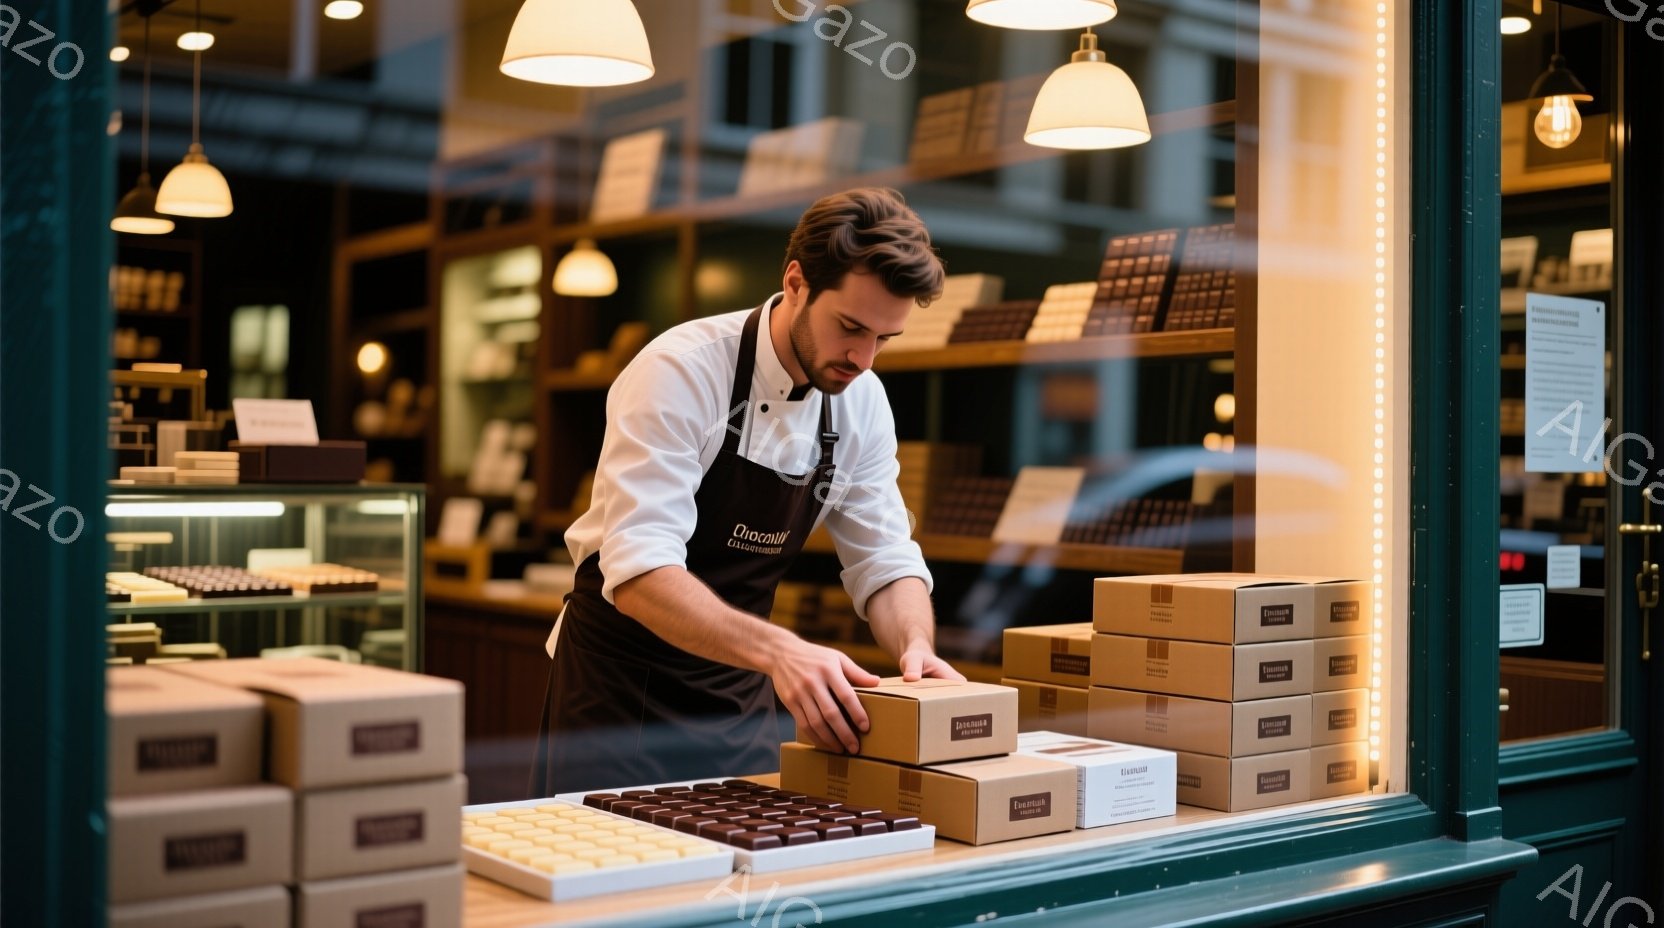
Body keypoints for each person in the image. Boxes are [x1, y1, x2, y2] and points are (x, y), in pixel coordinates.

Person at [532, 187, 966, 794]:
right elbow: (639, 571)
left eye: (883, 339)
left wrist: (915, 648)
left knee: (745, 870)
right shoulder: (681, 371)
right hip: (619, 697)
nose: (864, 358)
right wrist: (781, 652)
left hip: (738, 691)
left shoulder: (861, 401)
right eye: (850, 327)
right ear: (795, 282)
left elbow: (885, 558)